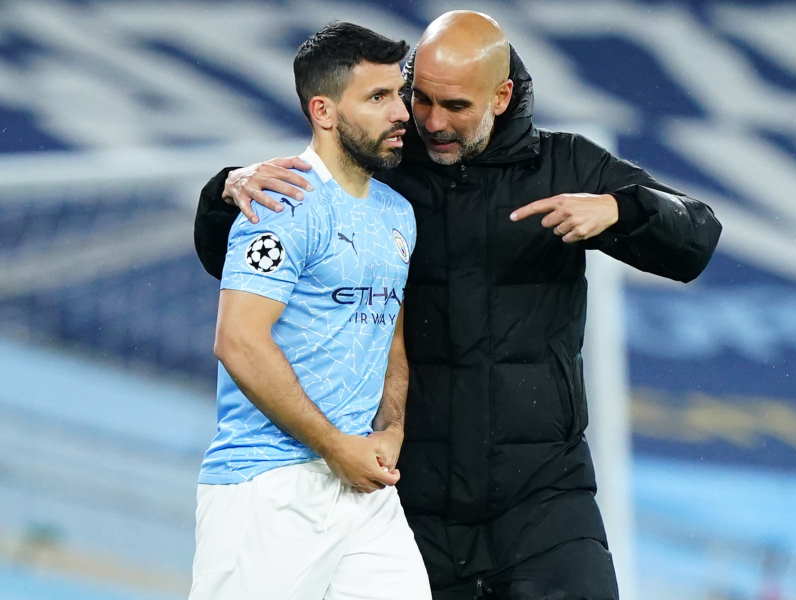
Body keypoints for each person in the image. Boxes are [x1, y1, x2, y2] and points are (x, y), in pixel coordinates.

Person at [194, 11, 722, 600]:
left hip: (542, 500)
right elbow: (252, 255)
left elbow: (698, 236)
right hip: (412, 495)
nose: (432, 122)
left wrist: (621, 210)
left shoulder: (566, 166)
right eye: (420, 99)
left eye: (455, 106)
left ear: (501, 97)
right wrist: (227, 190)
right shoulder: (387, 165)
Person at [189, 22, 431, 600]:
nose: (401, 112)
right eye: (378, 97)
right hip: (267, 487)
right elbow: (238, 341)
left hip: (363, 489)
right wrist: (333, 446)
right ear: (323, 110)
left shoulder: (397, 213)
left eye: (398, 94)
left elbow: (389, 333)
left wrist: (392, 428)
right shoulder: (280, 202)